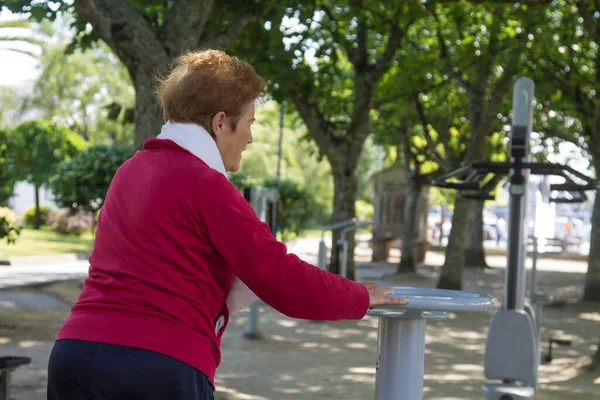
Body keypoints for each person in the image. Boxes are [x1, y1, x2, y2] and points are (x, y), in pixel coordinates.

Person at [46, 49, 408, 400]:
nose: (249, 137)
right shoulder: (207, 184)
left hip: (75, 353)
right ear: (220, 123)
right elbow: (280, 277)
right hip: (157, 365)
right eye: (248, 123)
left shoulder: (129, 171)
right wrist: (359, 296)